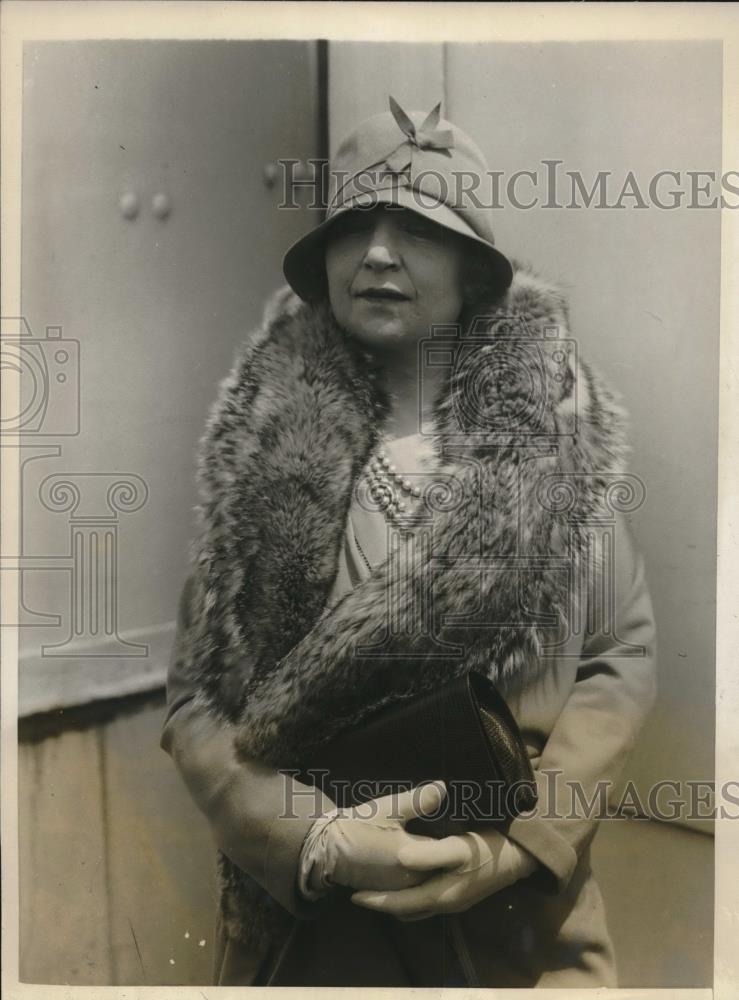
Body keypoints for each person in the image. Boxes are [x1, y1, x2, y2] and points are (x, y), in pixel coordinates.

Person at [161, 98, 657, 988]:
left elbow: (619, 659)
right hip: (311, 924)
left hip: (512, 927)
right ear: (325, 263)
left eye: (418, 230)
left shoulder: (552, 442)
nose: (379, 253)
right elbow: (197, 704)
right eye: (355, 226)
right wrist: (314, 841)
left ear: (473, 270)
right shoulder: (266, 450)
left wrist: (512, 851)